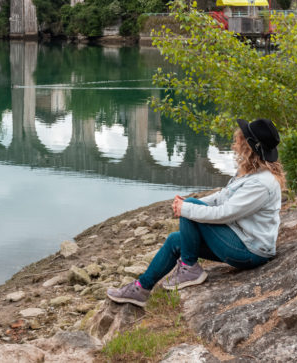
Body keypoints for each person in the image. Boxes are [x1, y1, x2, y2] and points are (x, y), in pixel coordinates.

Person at [107, 118, 285, 307]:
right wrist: (194, 204)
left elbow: (225, 213)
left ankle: (189, 268)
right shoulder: (251, 173)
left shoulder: (261, 184)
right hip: (239, 240)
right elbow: (222, 197)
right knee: (176, 240)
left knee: (191, 208)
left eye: (238, 140)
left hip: (251, 251)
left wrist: (189, 208)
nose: (234, 145)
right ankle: (141, 289)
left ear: (249, 147)